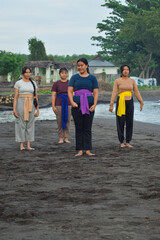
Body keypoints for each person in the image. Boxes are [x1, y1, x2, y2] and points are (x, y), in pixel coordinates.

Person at [68, 58, 99, 156]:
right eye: (78, 65)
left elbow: (96, 92)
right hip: (77, 105)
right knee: (79, 127)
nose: (80, 67)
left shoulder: (92, 78)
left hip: (89, 105)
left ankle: (88, 149)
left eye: (82, 65)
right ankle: (80, 150)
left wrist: (94, 104)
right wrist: (72, 102)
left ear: (86, 66)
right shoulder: (74, 77)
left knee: (87, 128)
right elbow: (69, 91)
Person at [109, 64, 144, 148]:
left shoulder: (132, 81)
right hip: (121, 102)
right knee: (120, 122)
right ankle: (121, 141)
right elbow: (114, 92)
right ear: (121, 71)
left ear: (129, 71)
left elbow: (136, 91)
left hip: (130, 102)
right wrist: (111, 104)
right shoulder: (117, 81)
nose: (126, 71)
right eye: (124, 69)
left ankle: (128, 141)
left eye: (127, 69)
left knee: (129, 122)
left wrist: (141, 101)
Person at [13, 66, 39, 150]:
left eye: (29, 72)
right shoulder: (18, 83)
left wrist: (37, 109)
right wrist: (14, 109)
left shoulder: (33, 83)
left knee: (30, 124)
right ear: (23, 73)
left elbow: (36, 97)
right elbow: (16, 97)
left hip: (31, 103)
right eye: (26, 72)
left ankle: (28, 145)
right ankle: (21, 145)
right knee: (21, 123)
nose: (28, 74)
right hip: (21, 103)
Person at [51, 67, 71, 143]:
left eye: (65, 73)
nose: (64, 74)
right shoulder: (56, 84)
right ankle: (60, 138)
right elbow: (53, 95)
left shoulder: (70, 83)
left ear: (67, 74)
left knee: (67, 120)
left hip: (68, 103)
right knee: (59, 120)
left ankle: (66, 137)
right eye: (62, 73)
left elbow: (73, 94)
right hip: (59, 103)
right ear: (59, 74)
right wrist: (53, 106)